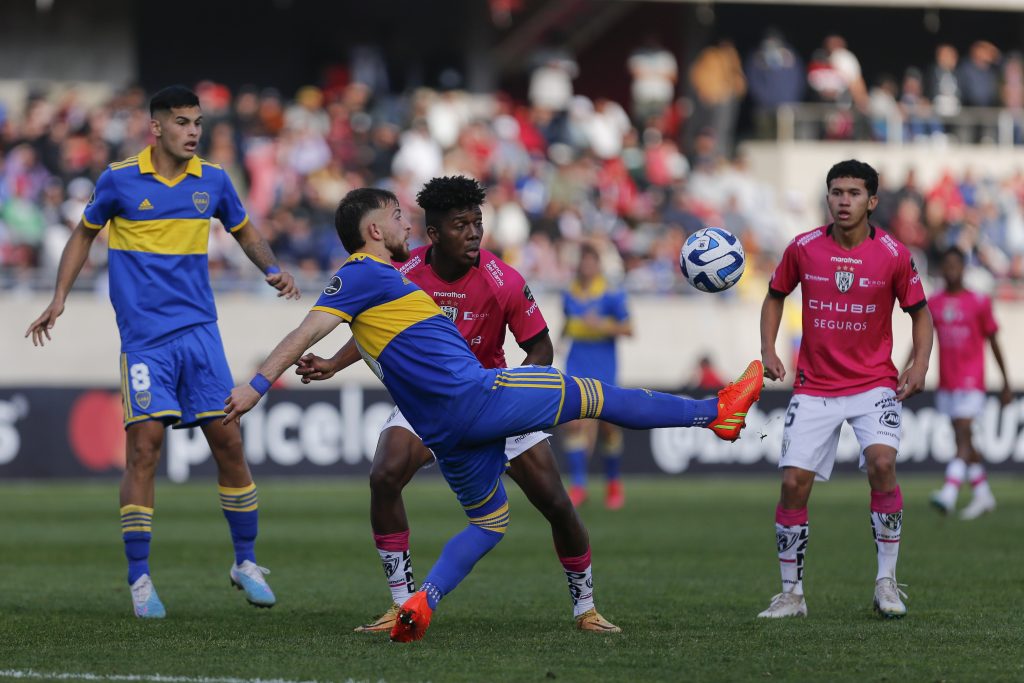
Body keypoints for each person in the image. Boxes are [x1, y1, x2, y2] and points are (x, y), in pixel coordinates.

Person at [222, 186, 764, 642]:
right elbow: (306, 329)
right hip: (479, 394)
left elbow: (372, 333)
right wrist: (256, 386)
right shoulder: (366, 273)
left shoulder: (405, 280)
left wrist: (323, 366)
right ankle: (715, 411)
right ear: (373, 232)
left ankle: (422, 603)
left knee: (490, 520)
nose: (403, 220)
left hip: (443, 426)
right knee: (596, 397)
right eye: (394, 215)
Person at [294, 176, 620, 633]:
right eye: (461, 224)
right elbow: (372, 327)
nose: (473, 233)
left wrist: (516, 396)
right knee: (385, 474)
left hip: (495, 395)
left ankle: (585, 607)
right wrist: (332, 361)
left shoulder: (502, 278)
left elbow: (541, 348)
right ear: (433, 233)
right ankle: (401, 603)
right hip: (426, 400)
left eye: (477, 223)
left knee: (556, 504)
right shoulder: (402, 274)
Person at [25, 86, 300, 619]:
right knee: (144, 449)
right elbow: (83, 235)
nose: (193, 131)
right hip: (146, 340)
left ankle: (246, 562)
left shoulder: (213, 181)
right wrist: (59, 297)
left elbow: (245, 231)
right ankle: (140, 579)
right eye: (181, 122)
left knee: (229, 441)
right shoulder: (120, 180)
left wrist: (271, 267)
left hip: (200, 332)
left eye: (197, 121)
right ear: (156, 128)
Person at [757, 159, 932, 620]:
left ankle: (887, 582)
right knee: (793, 483)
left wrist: (920, 362)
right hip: (815, 385)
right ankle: (791, 594)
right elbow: (775, 294)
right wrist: (768, 349)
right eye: (836, 192)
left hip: (874, 381)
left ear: (872, 201)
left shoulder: (893, 253)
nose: (843, 201)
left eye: (854, 193)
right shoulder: (804, 248)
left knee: (881, 462)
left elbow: (920, 312)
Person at [927, 247, 1011, 519]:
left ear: (964, 268)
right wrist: (905, 369)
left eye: (956, 265)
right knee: (963, 439)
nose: (951, 270)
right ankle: (983, 495)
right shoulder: (935, 302)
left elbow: (994, 341)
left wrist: (1006, 381)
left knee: (963, 434)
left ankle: (949, 493)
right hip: (947, 381)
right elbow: (922, 339)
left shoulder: (978, 301)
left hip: (971, 380)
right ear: (942, 269)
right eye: (947, 265)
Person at [560, 243, 632, 509]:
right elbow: (567, 322)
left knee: (607, 426)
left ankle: (613, 483)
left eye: (592, 262)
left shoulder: (612, 294)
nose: (587, 267)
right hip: (576, 364)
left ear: (598, 265)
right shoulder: (569, 293)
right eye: (584, 261)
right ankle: (579, 486)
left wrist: (601, 325)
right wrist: (558, 340)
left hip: (604, 367)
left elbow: (629, 329)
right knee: (573, 423)